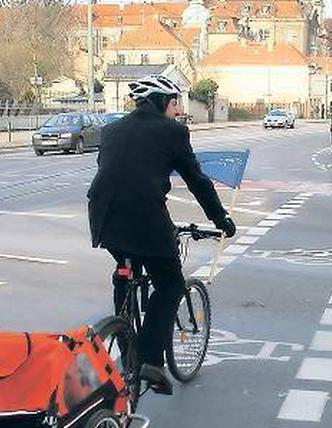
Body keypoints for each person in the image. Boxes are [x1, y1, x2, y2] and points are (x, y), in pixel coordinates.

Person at [87, 75, 236, 395]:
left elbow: (114, 172)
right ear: (164, 102)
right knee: (170, 285)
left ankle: (125, 342)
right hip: (145, 218)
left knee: (124, 270)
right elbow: (197, 180)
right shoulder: (173, 132)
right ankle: (151, 361)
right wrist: (220, 217)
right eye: (175, 103)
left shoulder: (112, 129)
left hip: (104, 219)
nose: (178, 109)